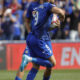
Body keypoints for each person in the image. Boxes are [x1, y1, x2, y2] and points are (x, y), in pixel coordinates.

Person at [15, 0, 65, 80]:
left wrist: (53, 26)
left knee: (36, 65)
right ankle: (29, 59)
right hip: (40, 39)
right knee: (52, 63)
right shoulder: (48, 6)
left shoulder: (37, 8)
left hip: (35, 36)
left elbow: (44, 26)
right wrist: (62, 16)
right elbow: (61, 12)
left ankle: (28, 59)